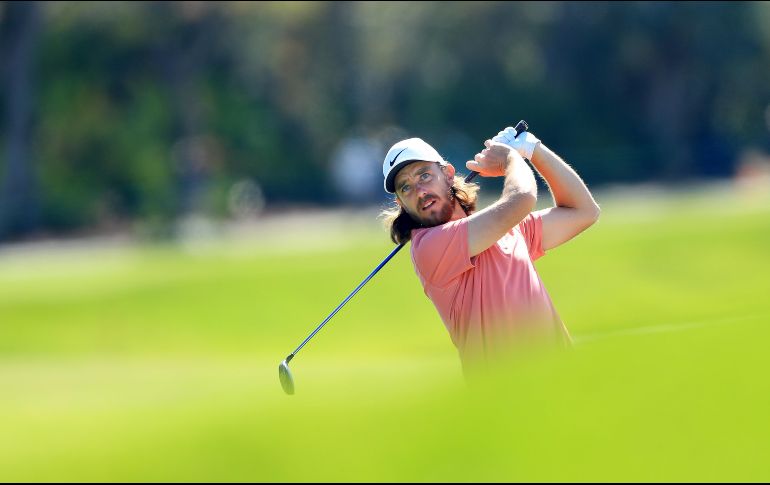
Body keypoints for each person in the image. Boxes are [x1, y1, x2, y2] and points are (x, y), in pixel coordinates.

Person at [380, 127, 600, 374]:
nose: (419, 191)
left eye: (424, 176)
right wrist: (511, 158)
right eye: (406, 187)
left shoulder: (509, 228)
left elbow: (584, 211)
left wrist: (533, 149)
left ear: (448, 174)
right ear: (401, 203)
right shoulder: (428, 247)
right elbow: (522, 199)